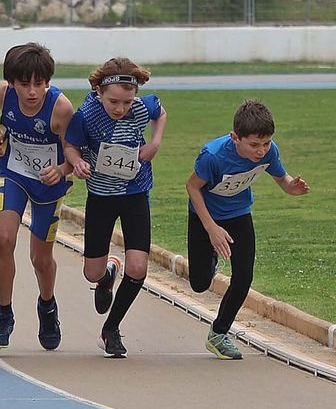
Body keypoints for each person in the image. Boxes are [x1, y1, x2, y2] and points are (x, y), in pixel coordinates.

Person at [185, 99, 310, 359]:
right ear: (235, 138)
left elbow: (282, 179)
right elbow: (192, 187)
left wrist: (291, 187)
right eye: (254, 144)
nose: (261, 150)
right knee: (199, 284)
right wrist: (211, 228)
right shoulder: (213, 155)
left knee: (243, 276)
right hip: (205, 217)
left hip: (239, 214)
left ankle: (219, 333)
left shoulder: (269, 151)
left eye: (265, 143)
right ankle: (211, 256)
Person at [63, 58, 167, 359]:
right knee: (90, 272)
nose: (120, 108)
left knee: (138, 267)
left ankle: (111, 329)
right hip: (101, 196)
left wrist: (155, 143)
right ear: (98, 91)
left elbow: (161, 113)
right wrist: (78, 161)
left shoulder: (142, 107)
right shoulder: (87, 115)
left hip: (135, 191)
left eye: (126, 101)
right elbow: (71, 145)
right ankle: (107, 274)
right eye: (114, 102)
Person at [0, 43, 76, 351]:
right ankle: (4, 315)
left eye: (39, 83)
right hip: (15, 176)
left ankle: (47, 306)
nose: (32, 91)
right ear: (12, 81)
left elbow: (76, 155)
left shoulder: (61, 108)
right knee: (3, 239)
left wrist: (61, 169)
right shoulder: (3, 95)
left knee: (41, 259)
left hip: (48, 186)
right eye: (24, 84)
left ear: (48, 80)